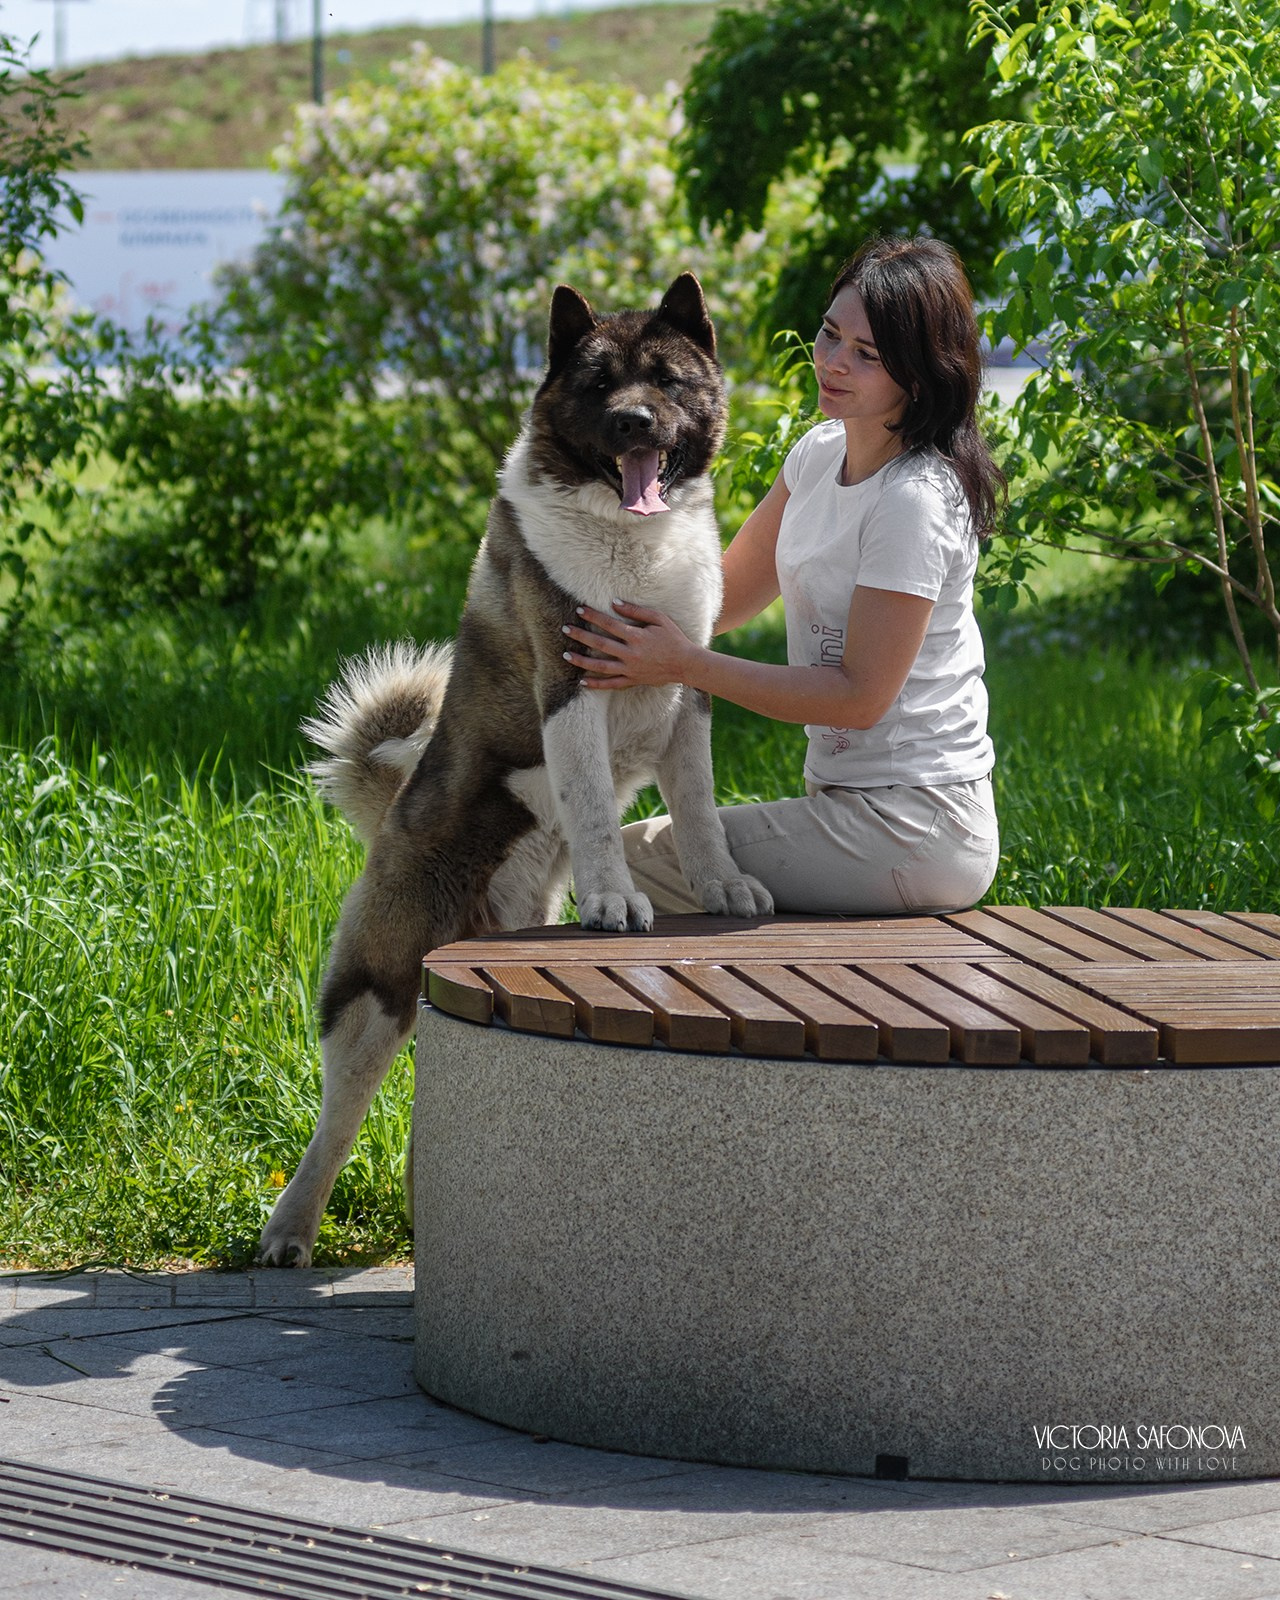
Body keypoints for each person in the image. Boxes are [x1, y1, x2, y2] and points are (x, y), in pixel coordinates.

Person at [561, 234, 1004, 917]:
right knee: (628, 858)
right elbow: (725, 597)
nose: (833, 363)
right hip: (843, 809)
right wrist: (586, 589)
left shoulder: (915, 498)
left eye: (867, 355)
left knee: (627, 863)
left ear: (918, 374)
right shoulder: (818, 454)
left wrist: (682, 663)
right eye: (830, 336)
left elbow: (859, 698)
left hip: (922, 827)